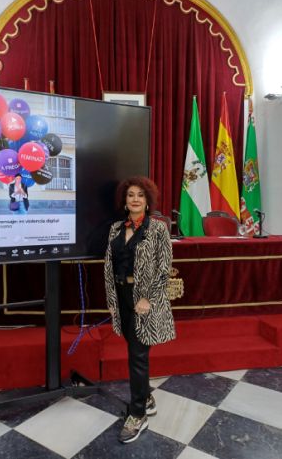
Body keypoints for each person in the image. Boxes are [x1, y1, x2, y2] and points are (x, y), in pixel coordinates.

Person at [104, 176, 176, 443]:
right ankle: (145, 396)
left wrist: (148, 298)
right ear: (124, 200)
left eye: (140, 196)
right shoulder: (114, 229)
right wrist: (112, 302)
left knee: (137, 355)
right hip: (122, 296)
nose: (134, 199)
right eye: (130, 195)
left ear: (148, 201)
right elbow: (109, 269)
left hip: (144, 300)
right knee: (133, 348)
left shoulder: (157, 229)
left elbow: (163, 269)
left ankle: (138, 415)